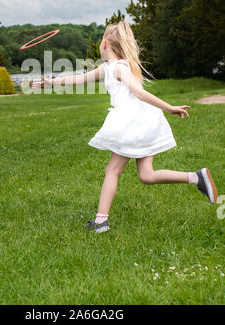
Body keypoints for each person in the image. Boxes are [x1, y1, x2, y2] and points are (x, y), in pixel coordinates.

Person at [30, 21, 218, 234]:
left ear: (105, 43)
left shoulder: (119, 68)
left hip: (134, 122)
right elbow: (80, 79)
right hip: (144, 121)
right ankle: (196, 177)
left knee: (112, 170)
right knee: (146, 175)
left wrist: (169, 108)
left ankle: (101, 222)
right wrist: (51, 83)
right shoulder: (108, 67)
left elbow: (138, 93)